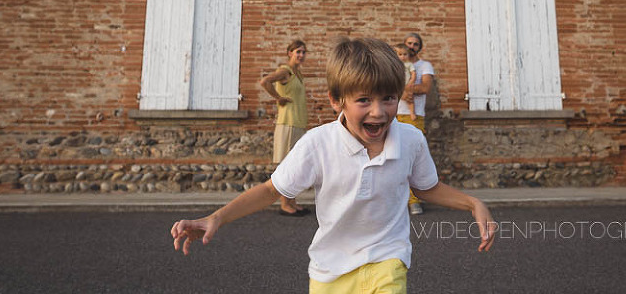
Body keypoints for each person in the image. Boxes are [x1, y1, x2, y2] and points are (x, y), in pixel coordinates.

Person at [171, 37, 495, 294]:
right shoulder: (317, 144)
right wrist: (216, 217)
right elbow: (272, 189)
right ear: (336, 100)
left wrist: (473, 203)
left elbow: (426, 187)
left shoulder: (410, 139)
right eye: (364, 100)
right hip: (329, 272)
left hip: (387, 260)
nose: (379, 112)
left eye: (388, 99)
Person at [259, 39, 310, 216]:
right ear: (290, 53)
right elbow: (265, 81)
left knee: (295, 165)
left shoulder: (297, 73)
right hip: (287, 123)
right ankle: (284, 204)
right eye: (298, 52)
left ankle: (292, 202)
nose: (301, 55)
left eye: (304, 52)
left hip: (297, 123)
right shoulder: (285, 71)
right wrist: (277, 98)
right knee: (286, 165)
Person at [396, 32, 435, 215]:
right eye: (409, 43)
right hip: (394, 115)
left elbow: (426, 87)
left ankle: (414, 200)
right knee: (394, 158)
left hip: (414, 116)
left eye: (415, 44)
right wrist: (401, 92)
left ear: (420, 47)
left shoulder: (424, 65)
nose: (412, 46)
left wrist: (403, 90)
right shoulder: (396, 63)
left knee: (413, 158)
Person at [393, 43, 417, 121]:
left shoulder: (409, 64)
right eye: (400, 54)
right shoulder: (396, 64)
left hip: (407, 84)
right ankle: (395, 114)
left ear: (408, 55)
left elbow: (413, 73)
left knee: (410, 98)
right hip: (398, 84)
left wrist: (412, 81)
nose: (403, 56)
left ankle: (412, 112)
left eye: (405, 54)